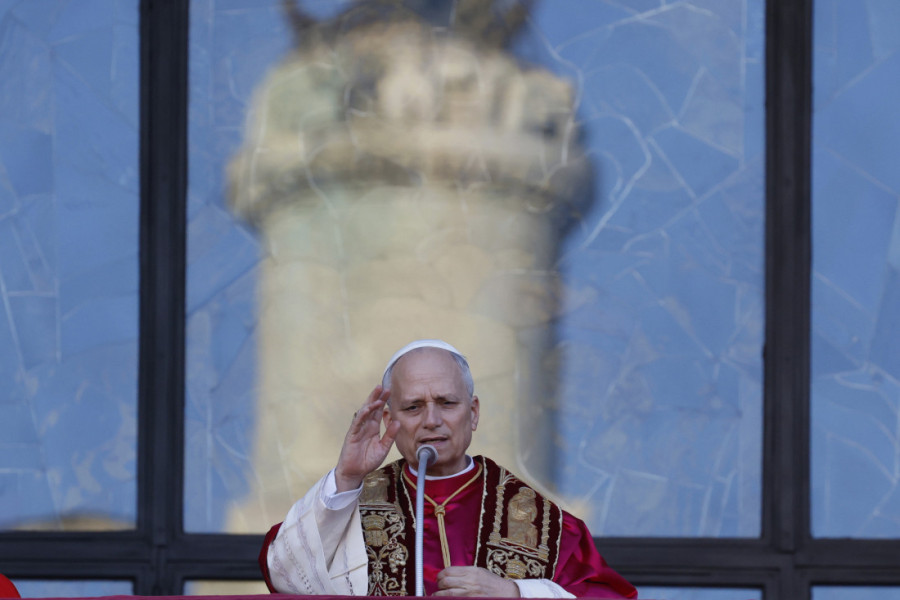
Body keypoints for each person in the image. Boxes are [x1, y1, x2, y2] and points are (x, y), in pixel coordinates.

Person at [260, 339, 636, 598]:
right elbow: (284, 576)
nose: (432, 420)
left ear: (473, 413)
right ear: (389, 421)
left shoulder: (539, 519)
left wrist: (514, 592)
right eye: (413, 407)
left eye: (446, 403)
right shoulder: (349, 504)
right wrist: (346, 477)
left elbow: (609, 596)